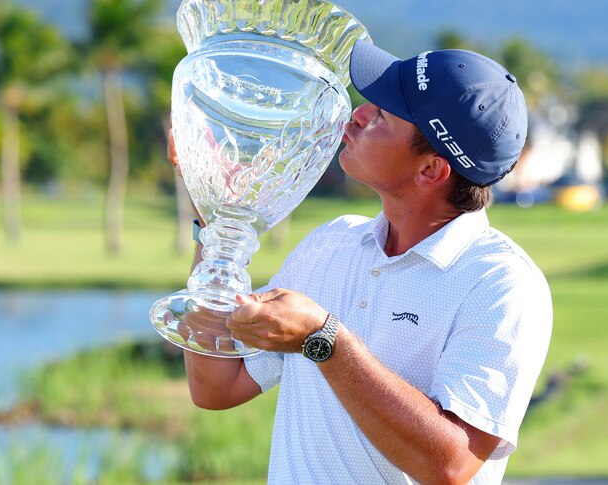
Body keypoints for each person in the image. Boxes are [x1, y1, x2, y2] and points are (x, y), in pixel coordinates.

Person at [170, 39, 552, 485]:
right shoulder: (330, 243)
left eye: (383, 115)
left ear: (431, 171)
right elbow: (215, 386)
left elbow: (449, 465)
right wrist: (215, 219)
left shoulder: (502, 283)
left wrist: (325, 340)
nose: (358, 114)